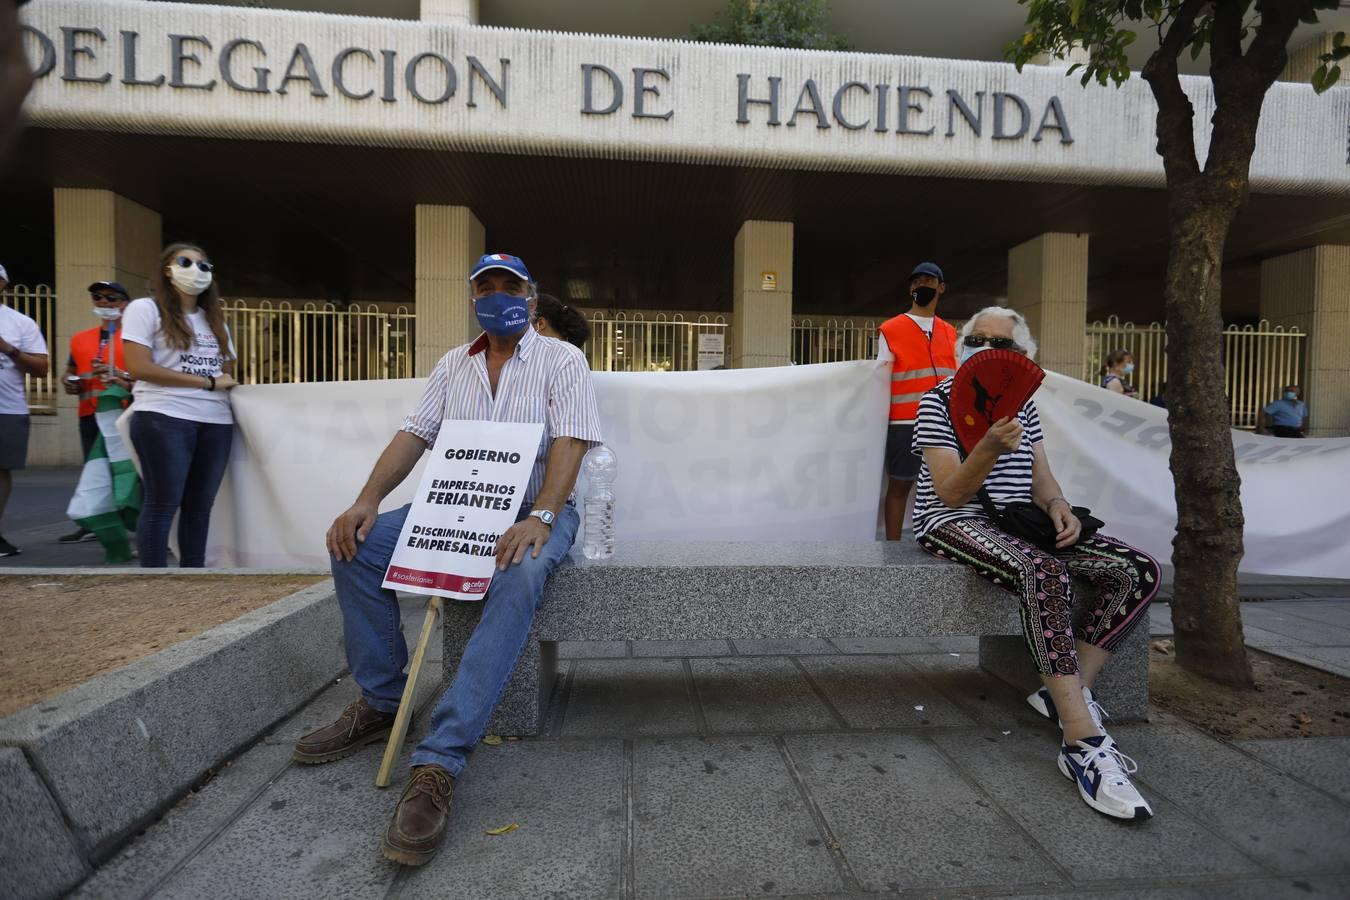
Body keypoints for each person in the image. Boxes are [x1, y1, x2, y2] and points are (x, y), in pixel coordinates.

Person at [294, 253, 602, 866]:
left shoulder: (562, 360)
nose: (496, 298)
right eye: (484, 288)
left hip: (536, 506)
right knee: (355, 546)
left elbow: (570, 440)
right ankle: (383, 701)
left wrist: (540, 516)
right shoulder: (449, 367)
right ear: (472, 301)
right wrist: (367, 500)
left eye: (508, 288)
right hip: (455, 503)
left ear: (532, 299)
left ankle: (440, 760)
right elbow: (414, 434)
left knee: (520, 575)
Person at [912, 306, 1159, 821]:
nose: (988, 349)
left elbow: (1040, 476)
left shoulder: (1023, 408)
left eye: (1002, 344)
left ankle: (1067, 692)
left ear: (1020, 357)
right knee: (1041, 572)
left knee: (1138, 570)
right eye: (978, 339)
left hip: (1017, 523)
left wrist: (1058, 507)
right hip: (952, 521)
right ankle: (1081, 741)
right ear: (964, 347)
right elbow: (951, 492)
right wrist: (985, 449)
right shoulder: (936, 402)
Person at [121, 244, 238, 567]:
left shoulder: (214, 321)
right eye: (186, 262)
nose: (196, 270)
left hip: (215, 420)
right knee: (162, 503)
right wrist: (207, 383)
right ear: (167, 270)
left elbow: (226, 371)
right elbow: (138, 367)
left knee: (200, 506)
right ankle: (154, 582)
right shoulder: (145, 309)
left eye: (205, 265)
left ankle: (194, 577)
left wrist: (217, 382)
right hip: (163, 415)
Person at [876, 262, 959, 540]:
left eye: (928, 281)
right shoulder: (890, 329)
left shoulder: (949, 331)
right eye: (916, 282)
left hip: (944, 423)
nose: (920, 286)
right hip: (905, 421)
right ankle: (892, 548)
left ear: (941, 287)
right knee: (899, 486)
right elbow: (879, 378)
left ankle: (941, 540)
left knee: (945, 486)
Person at [59, 281, 134, 544]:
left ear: (125, 302)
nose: (103, 302)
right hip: (90, 413)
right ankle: (97, 520)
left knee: (132, 468)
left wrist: (120, 375)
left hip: (125, 411)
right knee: (97, 469)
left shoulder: (133, 336)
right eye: (97, 297)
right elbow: (70, 371)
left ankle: (139, 520)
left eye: (111, 298)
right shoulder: (81, 338)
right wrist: (69, 381)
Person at [0, 262, 50, 557]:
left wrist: (9, 349)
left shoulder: (20, 323)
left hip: (7, 409)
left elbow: (42, 368)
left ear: (3, 284)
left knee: (1, 470)